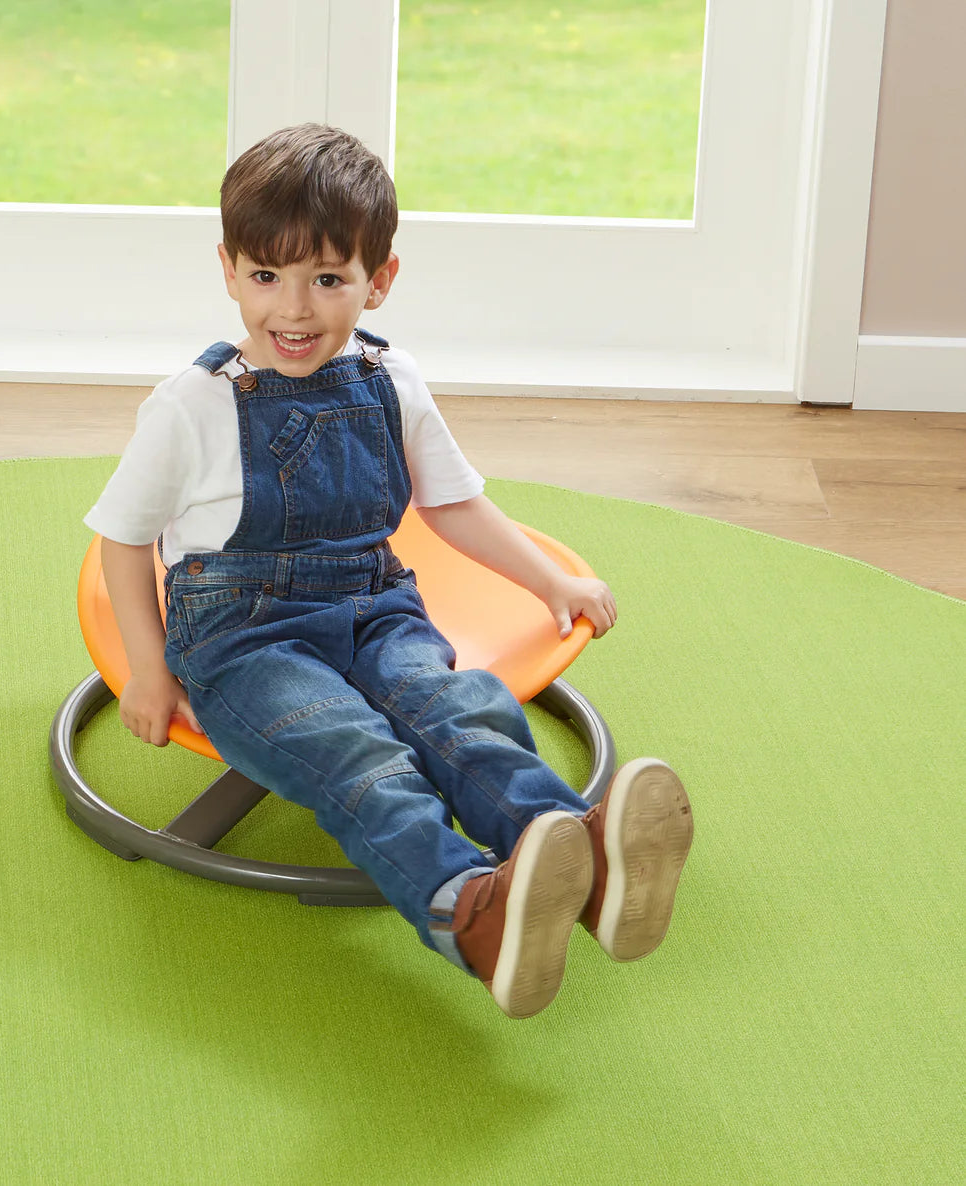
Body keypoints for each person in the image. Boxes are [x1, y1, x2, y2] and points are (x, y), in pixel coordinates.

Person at [85, 123, 693, 1019]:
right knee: (358, 753)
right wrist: (149, 666)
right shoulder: (192, 407)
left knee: (461, 710)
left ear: (380, 279)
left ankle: (581, 866)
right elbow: (123, 541)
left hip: (374, 605)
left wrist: (548, 584)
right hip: (243, 638)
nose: (293, 309)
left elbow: (452, 504)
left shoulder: (389, 378)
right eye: (266, 277)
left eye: (328, 280)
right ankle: (470, 914)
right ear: (228, 270)